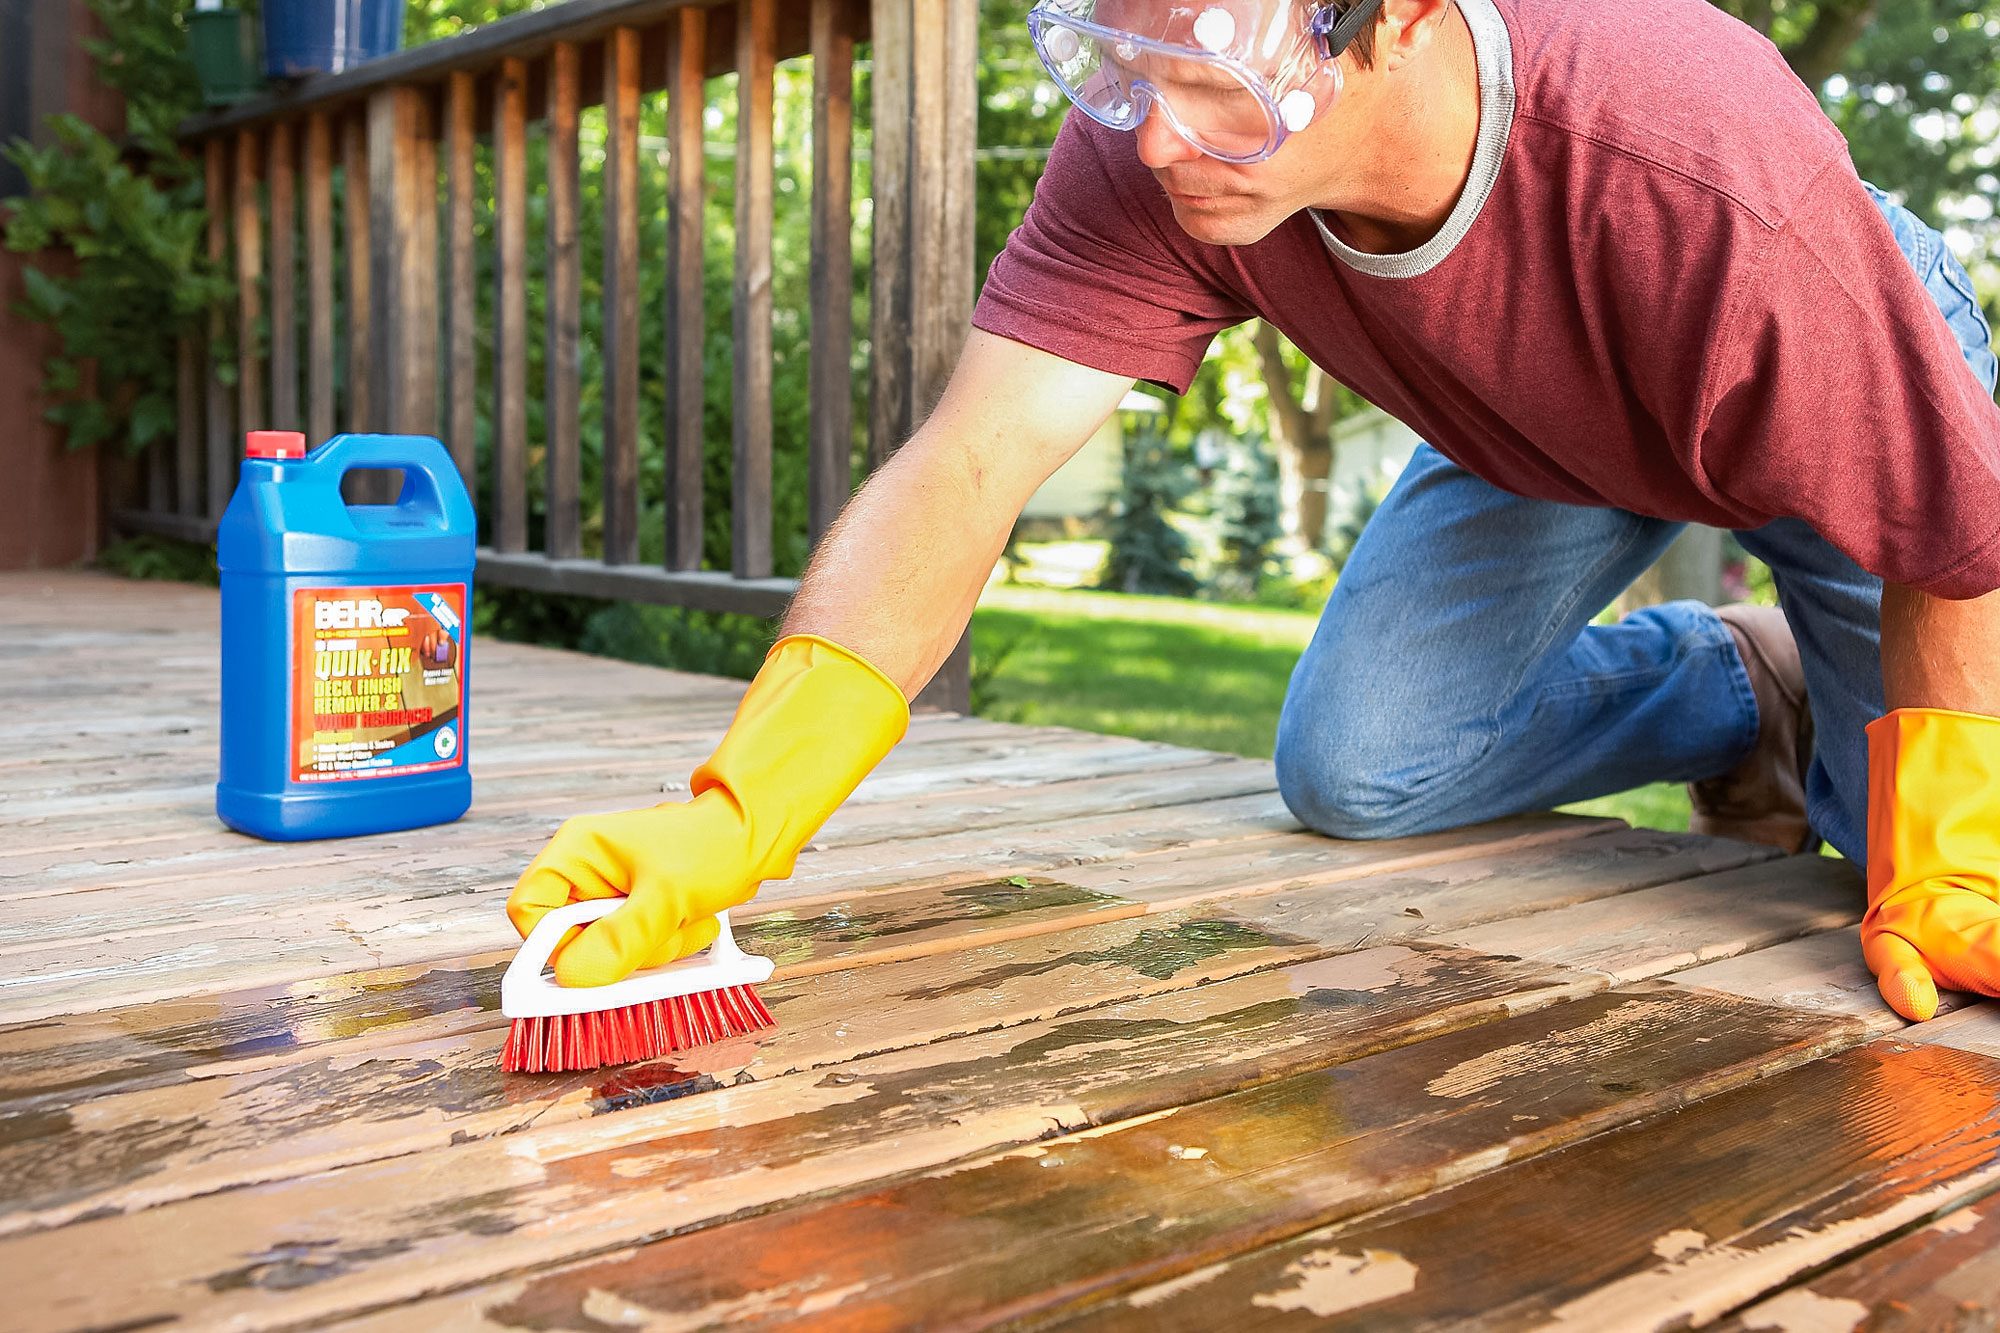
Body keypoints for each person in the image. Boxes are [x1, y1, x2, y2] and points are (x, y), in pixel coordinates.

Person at [506, 0, 2000, 1025]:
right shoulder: (1155, 152)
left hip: (1827, 406)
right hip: (1541, 427)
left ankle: (1851, 739)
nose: (1157, 137)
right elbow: (968, 466)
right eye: (1121, 58)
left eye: (1216, 70)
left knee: (1913, 881)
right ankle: (1751, 682)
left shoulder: (1704, 165)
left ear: (1399, 14)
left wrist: (1937, 848)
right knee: (1360, 771)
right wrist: (740, 807)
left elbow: (1962, 537)